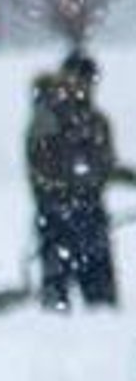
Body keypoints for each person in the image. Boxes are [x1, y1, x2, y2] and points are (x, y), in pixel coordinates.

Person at [25, 49, 135, 310]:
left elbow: (105, 166)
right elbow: (41, 166)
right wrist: (72, 190)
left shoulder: (96, 120)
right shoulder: (48, 117)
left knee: (102, 302)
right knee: (55, 301)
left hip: (90, 216)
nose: (83, 87)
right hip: (57, 216)